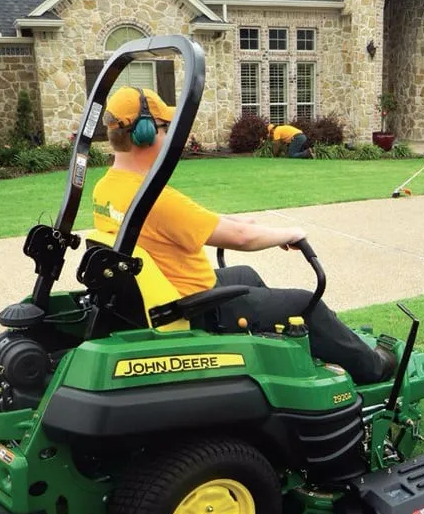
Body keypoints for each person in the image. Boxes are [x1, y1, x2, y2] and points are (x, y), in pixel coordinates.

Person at [91, 87, 396, 384]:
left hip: (168, 292)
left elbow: (184, 223)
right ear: (145, 133)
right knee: (305, 305)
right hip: (196, 308)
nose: (170, 134)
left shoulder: (109, 187)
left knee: (245, 275)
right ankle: (374, 367)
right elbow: (240, 238)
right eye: (165, 126)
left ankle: (275, 350)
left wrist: (233, 220)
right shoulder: (154, 199)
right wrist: (289, 233)